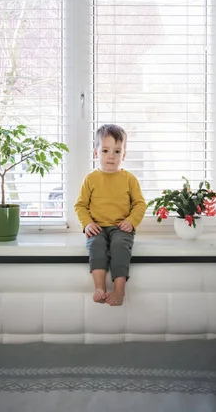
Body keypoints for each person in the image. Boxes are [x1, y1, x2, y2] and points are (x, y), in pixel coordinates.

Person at [75, 124, 146, 306]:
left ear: (124, 154)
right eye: (105, 150)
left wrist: (131, 221)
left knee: (120, 246)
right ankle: (100, 287)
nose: (111, 156)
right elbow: (81, 205)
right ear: (96, 153)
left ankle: (119, 290)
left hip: (121, 228)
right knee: (96, 245)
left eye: (117, 151)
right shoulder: (91, 179)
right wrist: (88, 223)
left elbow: (139, 203)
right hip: (97, 227)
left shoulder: (129, 179)